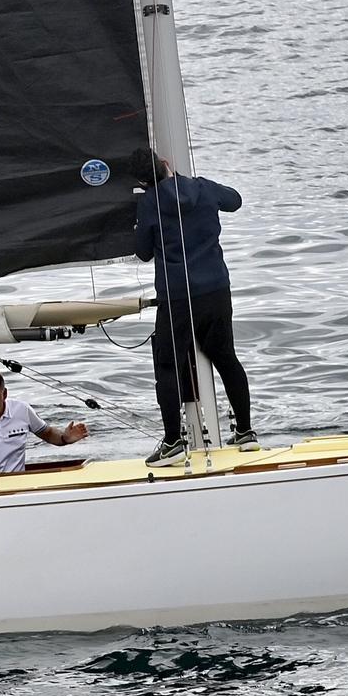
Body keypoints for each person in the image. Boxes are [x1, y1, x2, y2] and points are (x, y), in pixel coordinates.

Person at [135, 153, 257, 465]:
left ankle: (173, 441)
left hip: (177, 296)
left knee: (168, 366)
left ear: (141, 182)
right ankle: (245, 432)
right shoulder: (204, 188)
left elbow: (143, 252)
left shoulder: (149, 202)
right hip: (215, 288)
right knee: (225, 356)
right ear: (165, 165)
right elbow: (235, 201)